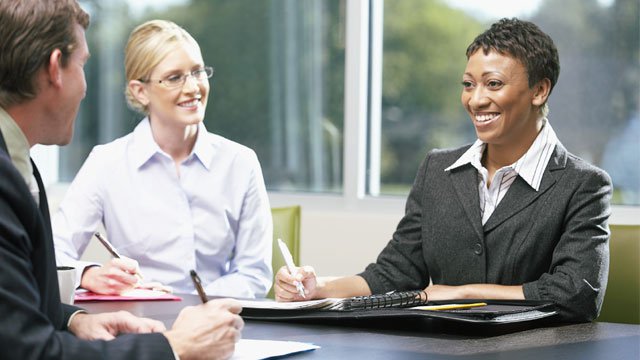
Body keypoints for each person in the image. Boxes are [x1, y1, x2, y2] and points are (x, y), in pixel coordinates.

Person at [275, 18, 612, 322]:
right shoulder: (438, 169)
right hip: (443, 349)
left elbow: (577, 294)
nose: (476, 100)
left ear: (539, 90)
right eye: (468, 84)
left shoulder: (583, 184)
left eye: (493, 84)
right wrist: (317, 288)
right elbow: (395, 272)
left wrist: (464, 292)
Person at [0, 1, 243, 359]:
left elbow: (12, 313)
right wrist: (173, 347)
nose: (85, 86)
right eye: (83, 64)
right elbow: (28, 352)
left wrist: (74, 319)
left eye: (198, 72)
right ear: (55, 69)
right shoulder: (11, 178)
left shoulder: (20, 164)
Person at [53, 19, 273, 298]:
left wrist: (185, 301)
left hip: (217, 320)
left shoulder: (240, 163)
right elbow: (52, 251)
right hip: (137, 324)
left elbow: (254, 273)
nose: (193, 87)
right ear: (140, 91)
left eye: (198, 72)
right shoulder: (106, 163)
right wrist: (88, 274)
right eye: (174, 77)